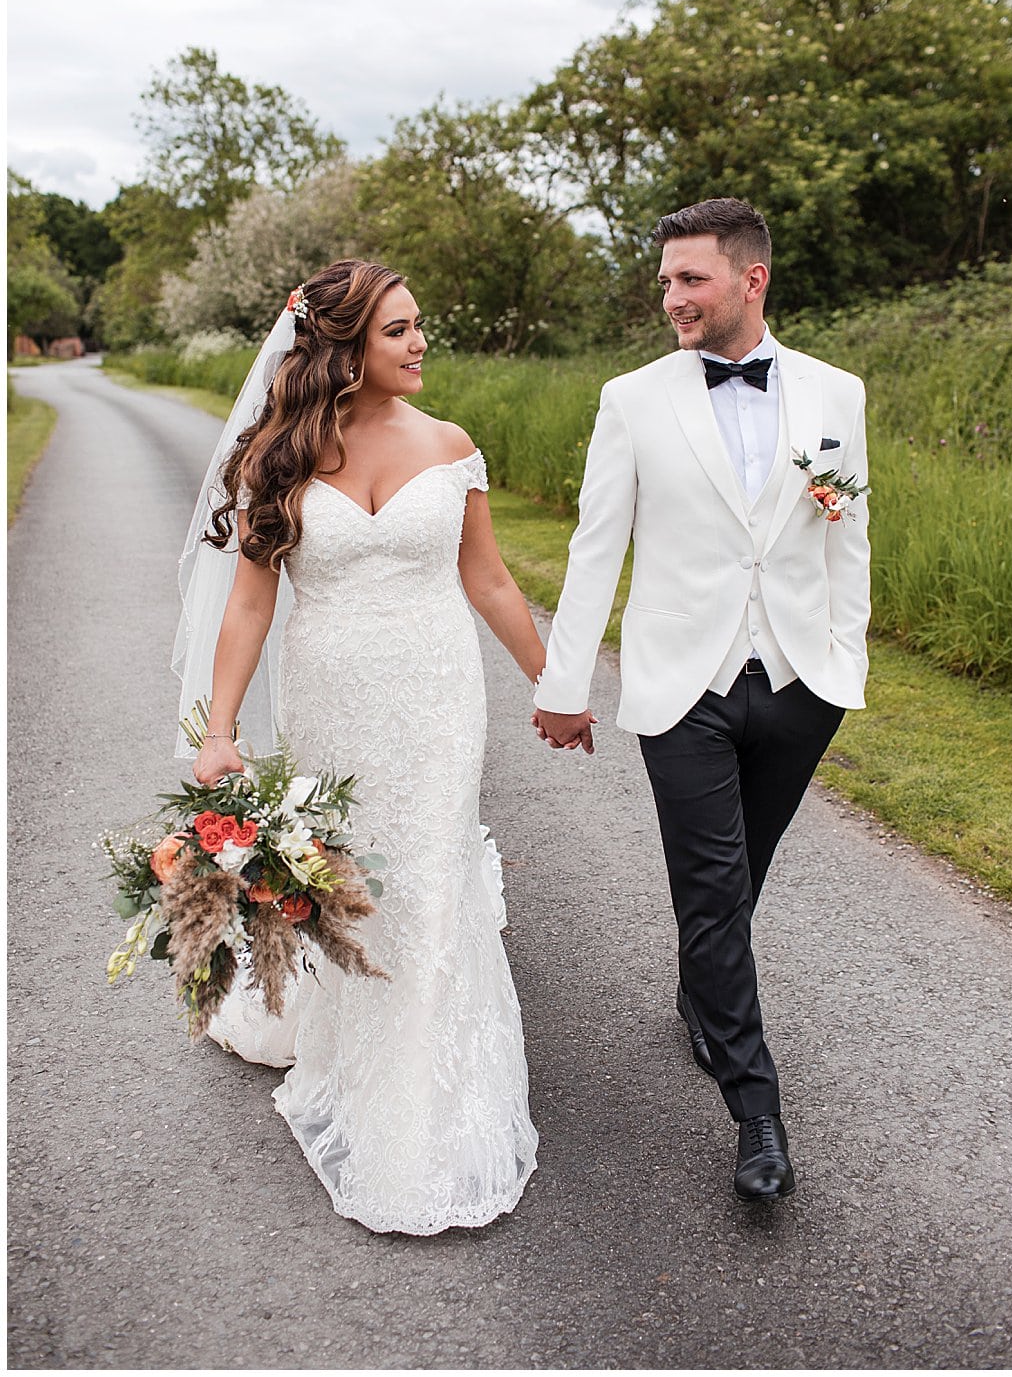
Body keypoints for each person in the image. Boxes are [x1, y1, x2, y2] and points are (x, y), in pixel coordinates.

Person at [175, 258, 544, 1235]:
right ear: (343, 347)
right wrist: (219, 728)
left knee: (426, 871)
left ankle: (419, 1107)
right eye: (398, 330)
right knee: (348, 876)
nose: (420, 342)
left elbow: (494, 583)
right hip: (329, 694)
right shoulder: (279, 457)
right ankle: (342, 1042)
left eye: (420, 325)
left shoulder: (452, 444)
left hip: (436, 693)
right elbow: (251, 603)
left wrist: (558, 679)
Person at [532, 198, 870, 1201]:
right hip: (683, 684)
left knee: (741, 874)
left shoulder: (833, 393)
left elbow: (845, 531)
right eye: (666, 279)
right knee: (712, 887)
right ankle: (755, 1110)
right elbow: (596, 547)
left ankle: (702, 990)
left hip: (802, 682)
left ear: (749, 279)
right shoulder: (632, 398)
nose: (670, 296)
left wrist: (841, 659)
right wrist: (563, 683)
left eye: (691, 279)